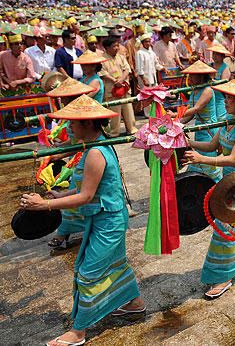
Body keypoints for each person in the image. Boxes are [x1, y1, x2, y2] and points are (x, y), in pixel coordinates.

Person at [20, 95, 145, 346]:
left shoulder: (96, 153)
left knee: (88, 273)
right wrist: (61, 194)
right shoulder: (92, 148)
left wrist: (44, 204)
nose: (69, 128)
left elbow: (86, 196)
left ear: (88, 124)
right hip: (102, 217)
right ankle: (134, 303)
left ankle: (79, 331)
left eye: (73, 123)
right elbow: (88, 189)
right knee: (115, 263)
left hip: (108, 221)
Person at [183, 77, 235, 298]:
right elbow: (212, 146)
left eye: (229, 97)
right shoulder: (228, 120)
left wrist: (201, 159)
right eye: (226, 96)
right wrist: (188, 144)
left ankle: (222, 276)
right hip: (229, 181)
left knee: (225, 227)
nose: (225, 100)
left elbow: (233, 158)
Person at [44, 78, 96, 249]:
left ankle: (69, 231)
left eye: (66, 98)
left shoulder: (84, 115)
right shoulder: (70, 116)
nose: (63, 101)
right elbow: (74, 141)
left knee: (83, 196)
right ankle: (65, 231)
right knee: (75, 194)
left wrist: (59, 155)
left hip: (86, 159)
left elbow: (80, 145)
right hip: (80, 161)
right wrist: (57, 149)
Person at [173, 61, 222, 181]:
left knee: (206, 158)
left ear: (201, 76)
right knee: (197, 157)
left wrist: (175, 114)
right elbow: (190, 114)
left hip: (209, 129)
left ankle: (213, 184)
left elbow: (196, 108)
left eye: (193, 75)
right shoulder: (195, 91)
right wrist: (177, 124)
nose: (190, 78)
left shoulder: (207, 90)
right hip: (199, 128)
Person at [99, 37, 137, 136]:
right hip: (111, 89)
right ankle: (114, 132)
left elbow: (127, 69)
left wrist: (121, 80)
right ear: (106, 48)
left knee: (128, 109)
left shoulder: (121, 57)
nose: (116, 48)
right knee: (114, 112)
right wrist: (114, 80)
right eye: (113, 46)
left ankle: (131, 128)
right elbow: (102, 73)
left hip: (123, 87)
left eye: (117, 46)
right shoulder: (102, 59)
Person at [209, 43, 233, 120]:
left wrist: (211, 81)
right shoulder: (209, 66)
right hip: (208, 96)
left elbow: (223, 85)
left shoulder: (225, 68)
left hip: (219, 97)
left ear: (222, 56)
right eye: (214, 54)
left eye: (217, 54)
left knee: (220, 118)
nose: (215, 56)